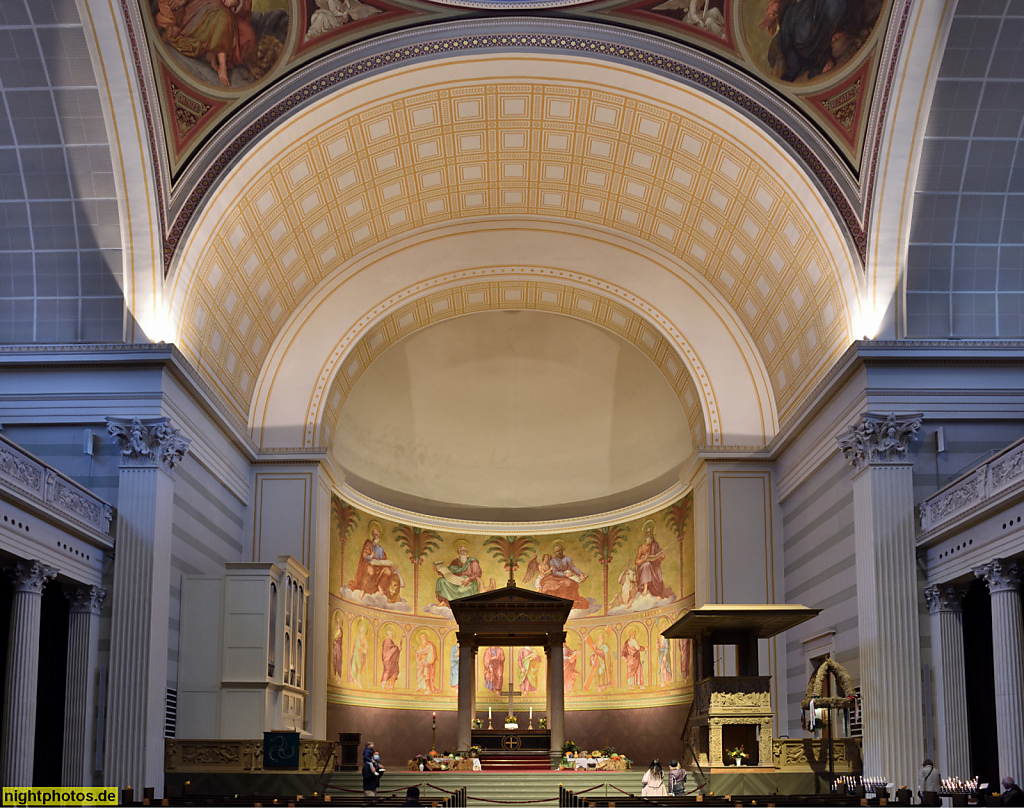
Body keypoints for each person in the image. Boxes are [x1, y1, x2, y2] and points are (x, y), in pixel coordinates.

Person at [349, 521, 400, 602]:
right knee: (371, 571)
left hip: (379, 567)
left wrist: (390, 567)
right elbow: (364, 555)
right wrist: (370, 556)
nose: (375, 536)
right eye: (374, 534)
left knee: (388, 572)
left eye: (376, 535)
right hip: (369, 564)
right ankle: (363, 590)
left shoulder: (380, 549)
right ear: (371, 535)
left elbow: (384, 559)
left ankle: (380, 586)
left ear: (379, 536)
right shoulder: (368, 544)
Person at [635, 521, 670, 599]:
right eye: (647, 532)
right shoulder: (642, 547)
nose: (648, 534)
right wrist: (644, 559)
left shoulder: (655, 544)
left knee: (658, 574)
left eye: (650, 532)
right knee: (647, 565)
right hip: (643, 568)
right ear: (645, 534)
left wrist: (662, 556)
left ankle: (656, 593)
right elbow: (636, 562)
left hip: (654, 566)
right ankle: (645, 587)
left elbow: (659, 557)